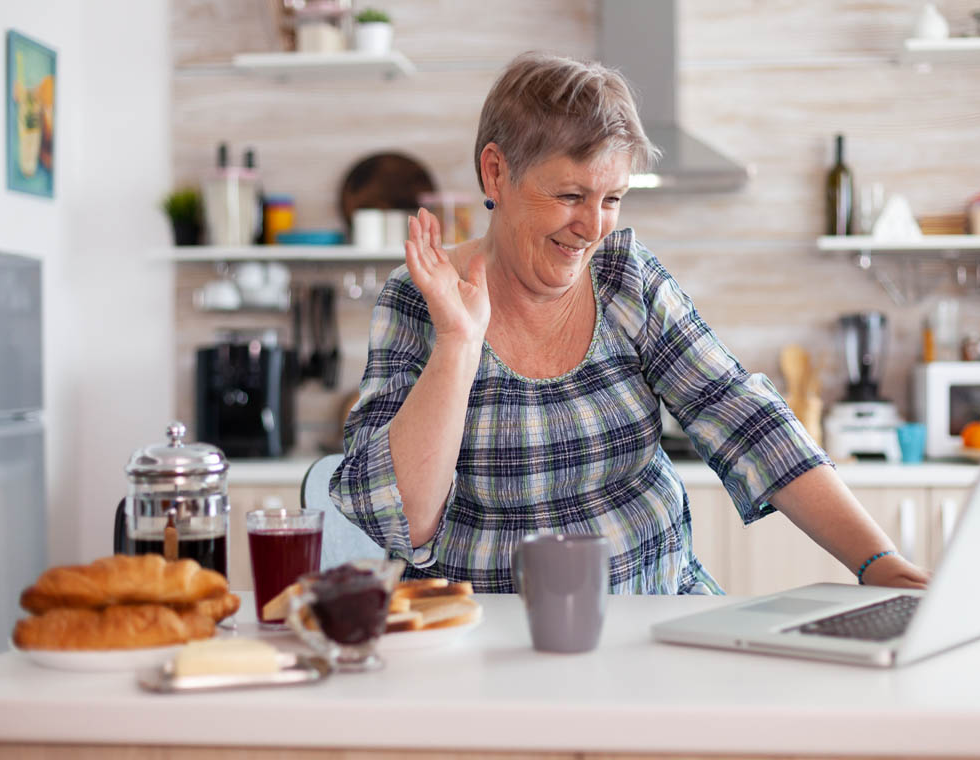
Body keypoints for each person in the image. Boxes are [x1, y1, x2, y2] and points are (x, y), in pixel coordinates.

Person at [331, 52, 929, 594]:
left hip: (655, 608)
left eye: (612, 199)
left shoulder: (625, 278)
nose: (593, 228)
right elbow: (404, 519)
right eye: (569, 195)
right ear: (496, 174)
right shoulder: (419, 299)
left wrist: (878, 562)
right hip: (493, 641)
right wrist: (459, 344)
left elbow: (745, 416)